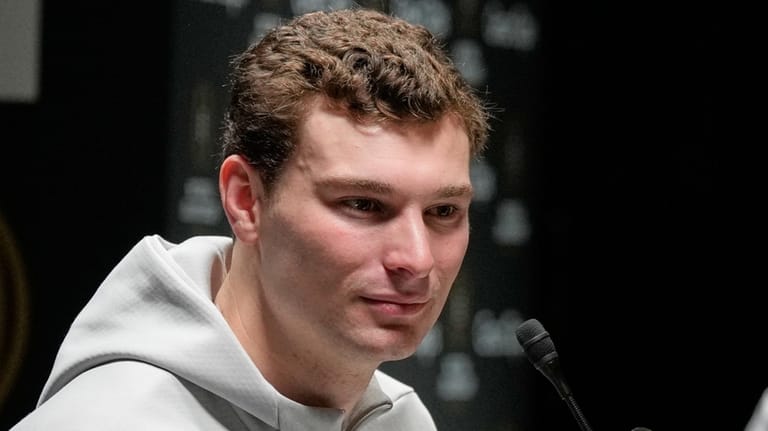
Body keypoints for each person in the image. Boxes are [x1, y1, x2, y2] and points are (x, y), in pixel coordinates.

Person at [10, 7, 490, 430]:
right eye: (363, 204)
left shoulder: (402, 421)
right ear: (245, 201)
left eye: (443, 211)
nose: (417, 260)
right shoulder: (108, 421)